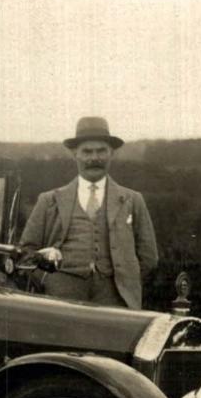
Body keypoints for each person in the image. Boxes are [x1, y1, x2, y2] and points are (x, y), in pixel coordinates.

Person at [20, 116, 158, 309]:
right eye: (87, 151)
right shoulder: (48, 200)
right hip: (60, 297)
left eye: (101, 151)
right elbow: (26, 252)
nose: (94, 158)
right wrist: (47, 280)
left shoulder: (133, 200)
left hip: (115, 298)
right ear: (75, 154)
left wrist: (125, 279)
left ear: (111, 153)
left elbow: (149, 258)